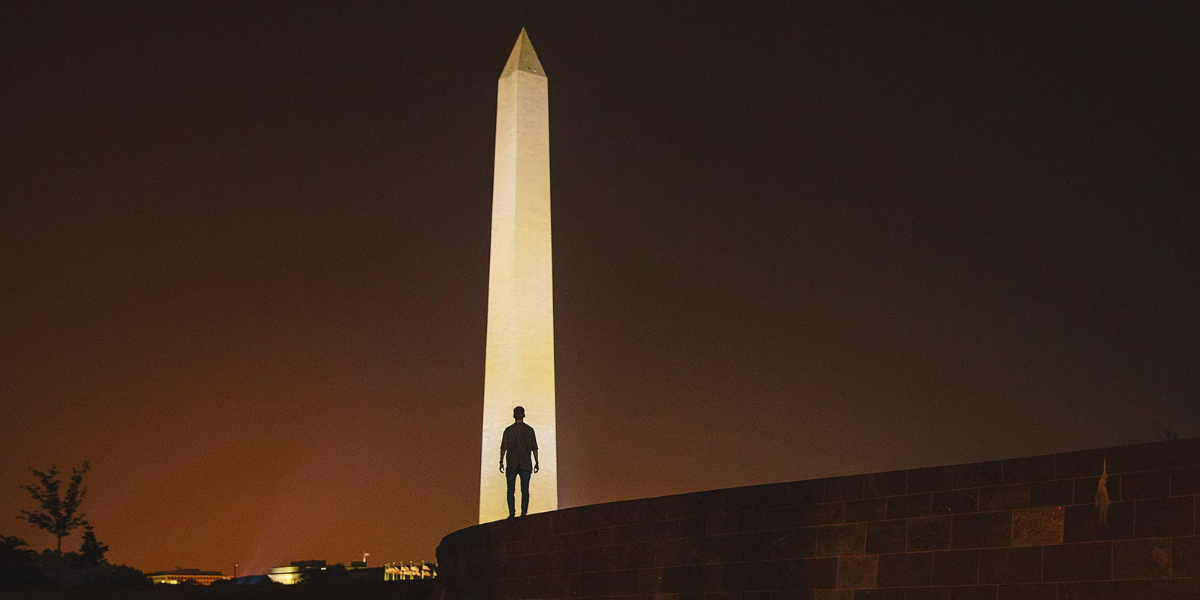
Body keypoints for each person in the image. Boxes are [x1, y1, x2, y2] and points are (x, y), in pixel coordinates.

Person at [499, 406, 539, 518]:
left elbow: (503, 448)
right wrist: (537, 462)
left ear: (513, 415)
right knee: (525, 490)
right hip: (526, 464)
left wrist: (501, 461)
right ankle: (524, 513)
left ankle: (512, 513)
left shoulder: (509, 430)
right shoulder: (529, 430)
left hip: (512, 464)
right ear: (524, 415)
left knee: (511, 490)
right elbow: (534, 448)